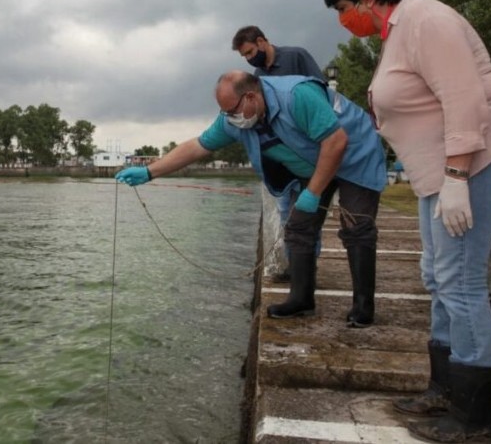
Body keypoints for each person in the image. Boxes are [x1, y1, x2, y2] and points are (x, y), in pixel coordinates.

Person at [322, 0, 491, 442]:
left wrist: (456, 177)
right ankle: (445, 388)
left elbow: (465, 97)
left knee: (461, 281)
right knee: (437, 275)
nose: (345, 20)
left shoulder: (425, 18)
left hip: (473, 159)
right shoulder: (396, 33)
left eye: (344, 9)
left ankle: (475, 420)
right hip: (440, 171)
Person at [116, 70, 386, 328]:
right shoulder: (235, 120)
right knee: (298, 227)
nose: (230, 118)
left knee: (356, 227)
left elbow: (336, 142)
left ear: (251, 98)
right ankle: (301, 298)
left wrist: (313, 192)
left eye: (232, 111)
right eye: (224, 113)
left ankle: (363, 306)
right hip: (311, 163)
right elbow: (197, 146)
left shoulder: (296, 95)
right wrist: (150, 171)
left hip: (354, 154)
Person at [232, 26, 327, 282]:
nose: (250, 59)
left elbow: (322, 92)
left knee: (307, 214)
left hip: (307, 150)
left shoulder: (297, 56)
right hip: (281, 155)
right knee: (286, 211)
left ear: (262, 41)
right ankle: (293, 265)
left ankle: (308, 268)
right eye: (244, 57)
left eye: (251, 52)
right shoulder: (258, 75)